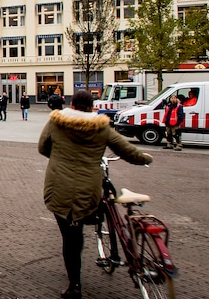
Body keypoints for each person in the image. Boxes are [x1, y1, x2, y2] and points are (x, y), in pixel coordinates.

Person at [38, 89, 153, 299]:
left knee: (70, 239)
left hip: (59, 188)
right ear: (92, 107)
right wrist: (145, 158)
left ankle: (74, 286)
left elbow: (43, 147)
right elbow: (126, 150)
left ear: (71, 105)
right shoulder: (101, 128)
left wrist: (58, 159)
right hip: (87, 188)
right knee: (90, 209)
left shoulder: (56, 122)